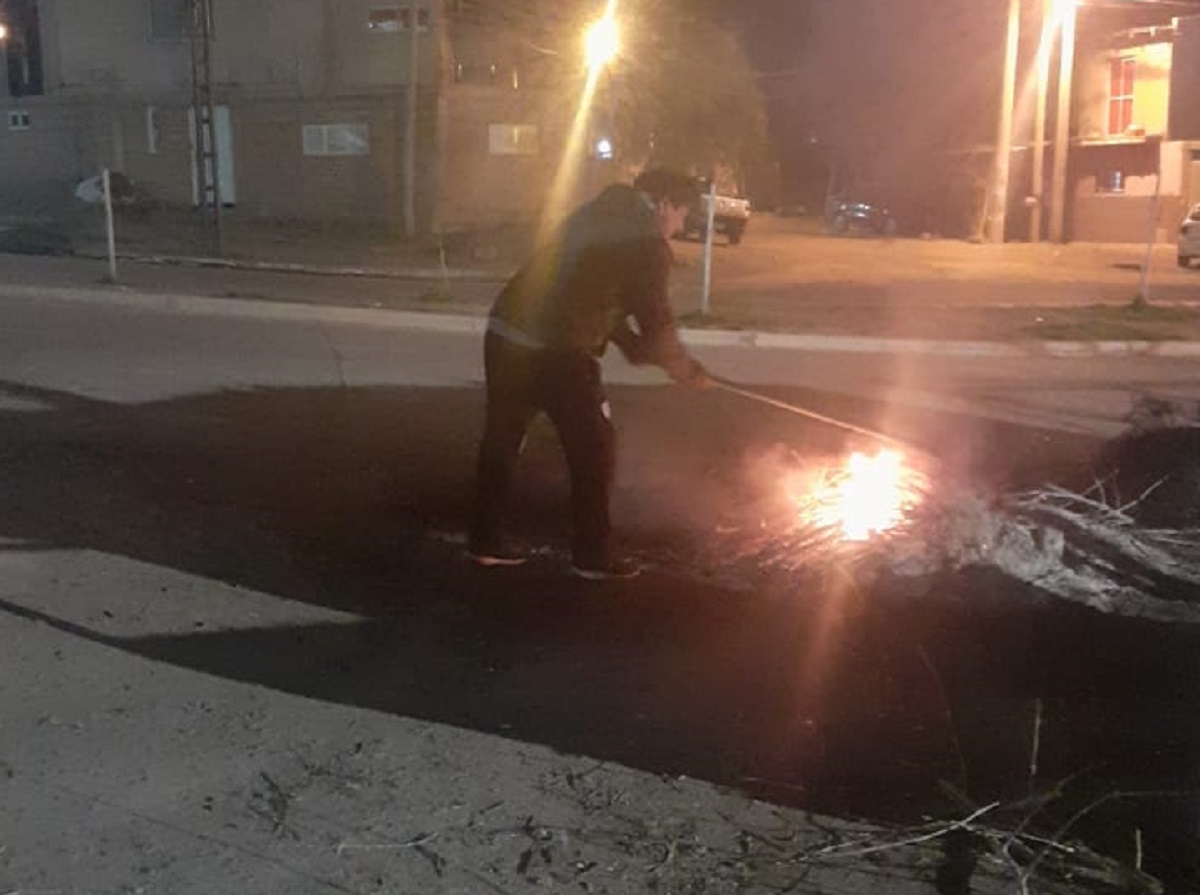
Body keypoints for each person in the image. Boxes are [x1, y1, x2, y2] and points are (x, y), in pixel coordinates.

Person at [468, 167, 710, 580]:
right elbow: (657, 322)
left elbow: (582, 290)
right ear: (665, 202)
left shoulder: (593, 214)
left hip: (507, 332)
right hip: (556, 349)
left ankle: (485, 542)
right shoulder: (645, 243)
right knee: (595, 448)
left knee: (504, 438)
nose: (681, 225)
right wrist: (683, 368)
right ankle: (592, 557)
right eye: (683, 214)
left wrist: (634, 347)